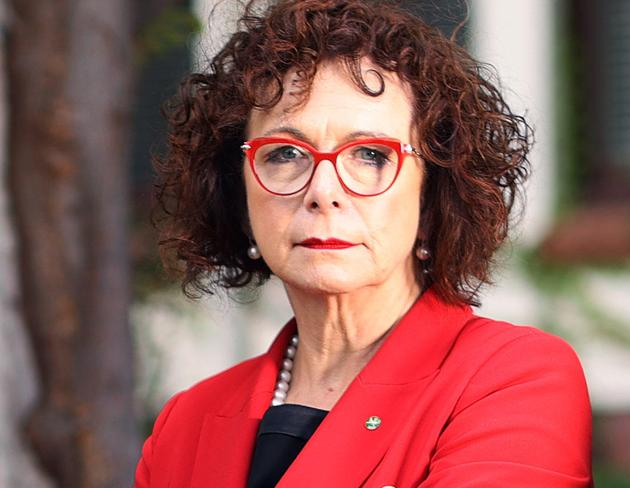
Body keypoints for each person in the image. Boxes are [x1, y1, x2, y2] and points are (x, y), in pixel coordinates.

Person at [134, 0, 593, 486]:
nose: (322, 191)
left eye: (371, 154)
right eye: (285, 153)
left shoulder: (512, 379)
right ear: (237, 190)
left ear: (433, 192)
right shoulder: (185, 423)